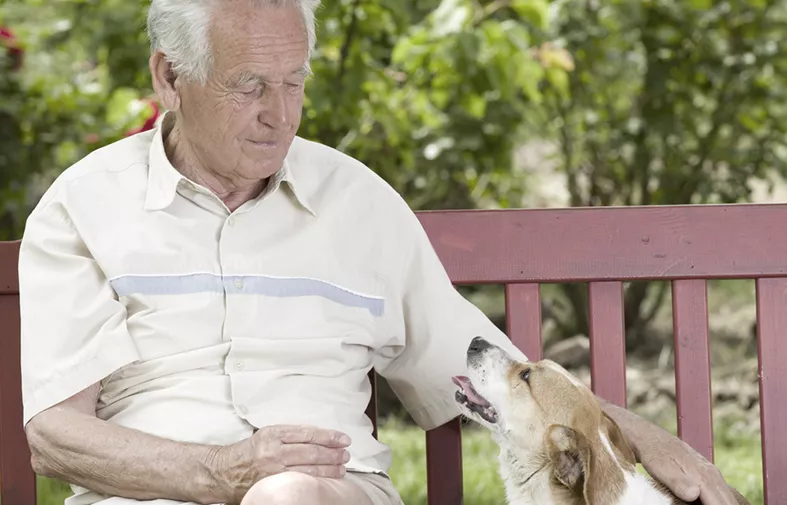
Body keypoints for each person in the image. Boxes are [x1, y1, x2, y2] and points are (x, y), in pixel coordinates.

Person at [18, 1, 740, 504]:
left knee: (288, 492)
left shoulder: (358, 204)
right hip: (151, 498)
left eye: (295, 82)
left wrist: (637, 437)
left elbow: (483, 368)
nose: (282, 114)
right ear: (168, 78)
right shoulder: (85, 207)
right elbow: (55, 436)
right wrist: (218, 472)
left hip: (326, 494)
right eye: (249, 87)